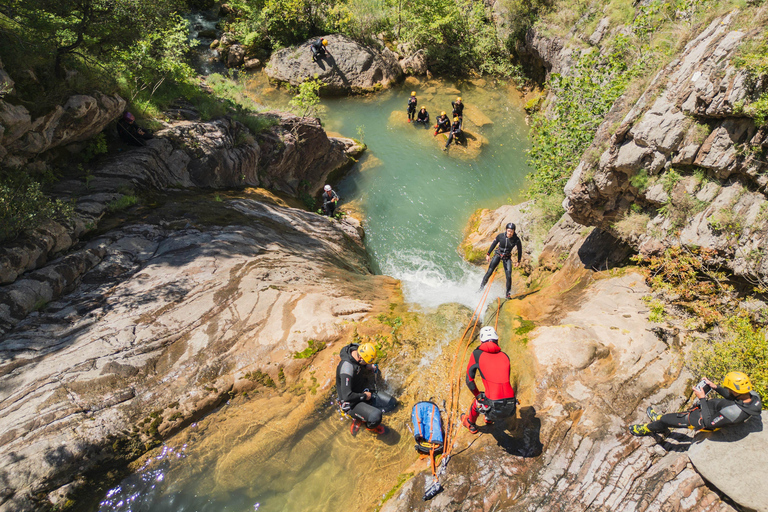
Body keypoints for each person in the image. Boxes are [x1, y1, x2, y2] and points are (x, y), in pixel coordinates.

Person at [629, 371, 762, 436]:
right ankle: (657, 420)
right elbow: (732, 397)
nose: (727, 390)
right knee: (675, 415)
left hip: (701, 419)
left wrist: (702, 398)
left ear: (735, 390)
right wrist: (714, 387)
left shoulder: (733, 412)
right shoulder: (752, 396)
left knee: (666, 419)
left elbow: (709, 423)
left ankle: (646, 428)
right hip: (711, 410)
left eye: (728, 388)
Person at [461, 326, 517, 434]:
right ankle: (488, 418)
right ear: (497, 340)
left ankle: (471, 423)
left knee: (479, 399)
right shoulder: (505, 356)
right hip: (511, 407)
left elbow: (469, 381)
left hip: (494, 408)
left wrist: (478, 395)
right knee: (492, 393)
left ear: (481, 341)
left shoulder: (477, 354)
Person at [336, 342, 389, 435]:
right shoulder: (347, 368)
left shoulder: (357, 349)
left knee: (391, 403)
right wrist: (364, 396)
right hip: (350, 403)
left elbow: (364, 356)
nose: (368, 363)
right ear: (360, 358)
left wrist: (368, 365)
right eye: (367, 361)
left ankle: (364, 413)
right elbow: (346, 397)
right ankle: (367, 425)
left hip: (361, 392)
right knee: (376, 416)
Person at [479, 222, 522, 299]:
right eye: (508, 231)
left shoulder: (516, 240)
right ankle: (481, 288)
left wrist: (518, 261)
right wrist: (488, 254)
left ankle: (508, 294)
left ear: (514, 231)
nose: (509, 233)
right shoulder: (500, 236)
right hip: (498, 254)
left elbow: (520, 250)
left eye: (511, 231)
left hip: (507, 257)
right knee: (489, 272)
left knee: (508, 275)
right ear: (506, 230)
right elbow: (494, 244)